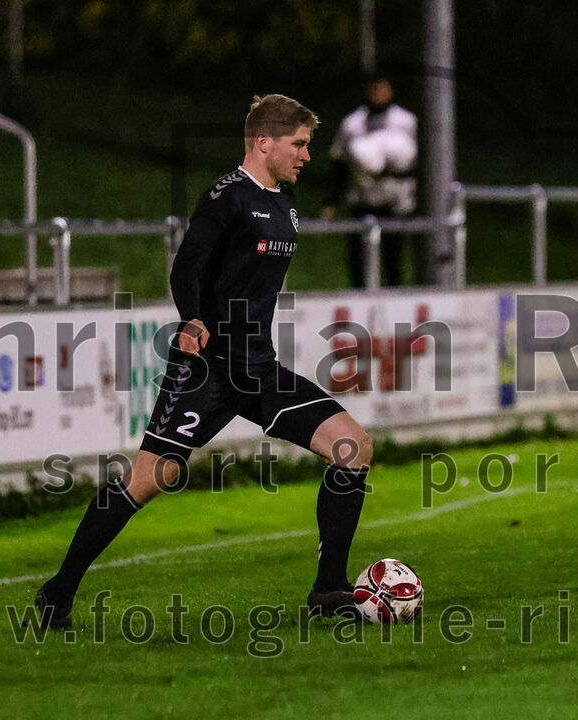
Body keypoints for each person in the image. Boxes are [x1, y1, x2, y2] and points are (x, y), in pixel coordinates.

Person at [36, 94, 373, 629]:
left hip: (258, 369)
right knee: (149, 480)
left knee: (353, 448)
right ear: (264, 142)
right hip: (207, 369)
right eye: (300, 143)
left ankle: (329, 588)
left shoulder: (285, 205)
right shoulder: (227, 197)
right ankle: (58, 590)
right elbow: (186, 267)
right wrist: (192, 319)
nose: (308, 155)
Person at [322, 74, 424, 287]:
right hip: (362, 199)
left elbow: (421, 164)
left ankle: (393, 306)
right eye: (374, 89)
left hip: (396, 202)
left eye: (383, 88)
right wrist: (330, 202)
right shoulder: (352, 124)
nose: (378, 94)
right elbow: (340, 164)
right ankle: (360, 306)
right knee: (359, 261)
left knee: (393, 261)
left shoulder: (406, 121)